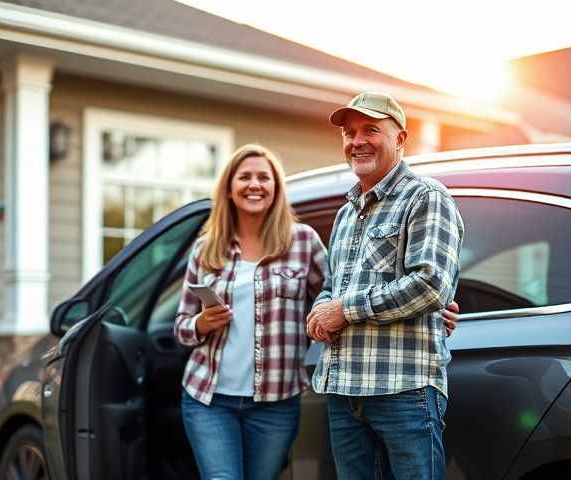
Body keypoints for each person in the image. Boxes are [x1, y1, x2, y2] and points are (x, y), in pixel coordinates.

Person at [307, 91, 465, 479]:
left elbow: (430, 286)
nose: (356, 141)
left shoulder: (426, 196)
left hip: (403, 390)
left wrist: (344, 311)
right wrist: (321, 311)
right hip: (343, 391)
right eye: (349, 132)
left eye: (371, 129)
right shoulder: (346, 213)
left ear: (400, 138)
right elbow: (333, 286)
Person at [174, 144, 329, 479]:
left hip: (276, 403)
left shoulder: (302, 242)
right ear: (230, 189)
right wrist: (200, 323)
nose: (254, 184)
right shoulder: (206, 248)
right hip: (208, 399)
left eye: (264, 177)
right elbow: (181, 326)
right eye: (244, 177)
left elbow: (334, 300)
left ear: (276, 188)